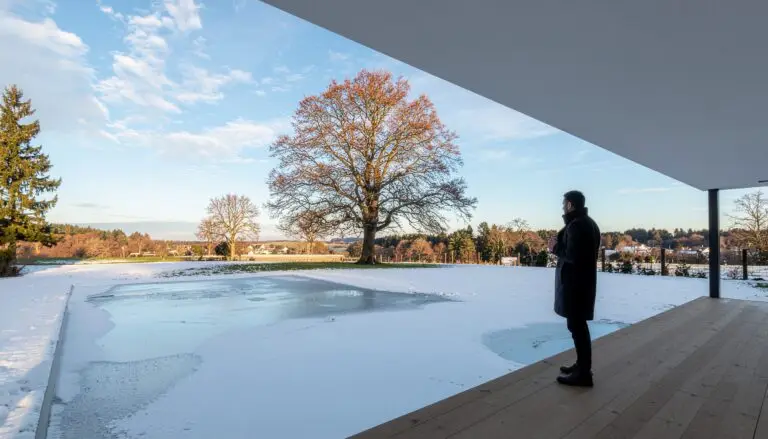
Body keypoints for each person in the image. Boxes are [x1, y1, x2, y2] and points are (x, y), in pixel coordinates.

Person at [553, 190, 601, 387]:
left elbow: (572, 256)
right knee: (578, 326)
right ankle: (582, 366)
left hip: (575, 285)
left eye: (564, 203)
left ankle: (583, 373)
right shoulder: (589, 223)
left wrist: (554, 248)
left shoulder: (576, 226)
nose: (562, 206)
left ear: (571, 205)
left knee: (577, 327)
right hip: (582, 283)